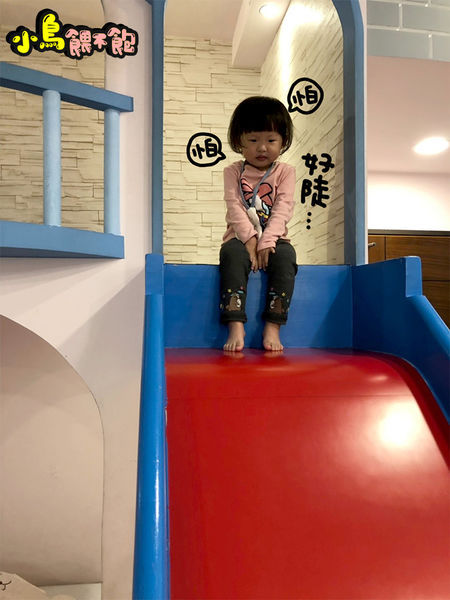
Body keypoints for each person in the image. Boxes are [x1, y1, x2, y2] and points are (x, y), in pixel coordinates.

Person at [219, 96, 298, 352]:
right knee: (231, 254)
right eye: (253, 140)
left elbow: (283, 208)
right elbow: (234, 206)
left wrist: (267, 241)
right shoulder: (233, 172)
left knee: (286, 257)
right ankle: (235, 324)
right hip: (240, 238)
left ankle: (273, 325)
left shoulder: (285, 172)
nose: (262, 148)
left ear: (282, 141)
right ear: (239, 141)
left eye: (271, 140)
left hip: (275, 238)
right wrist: (250, 240)